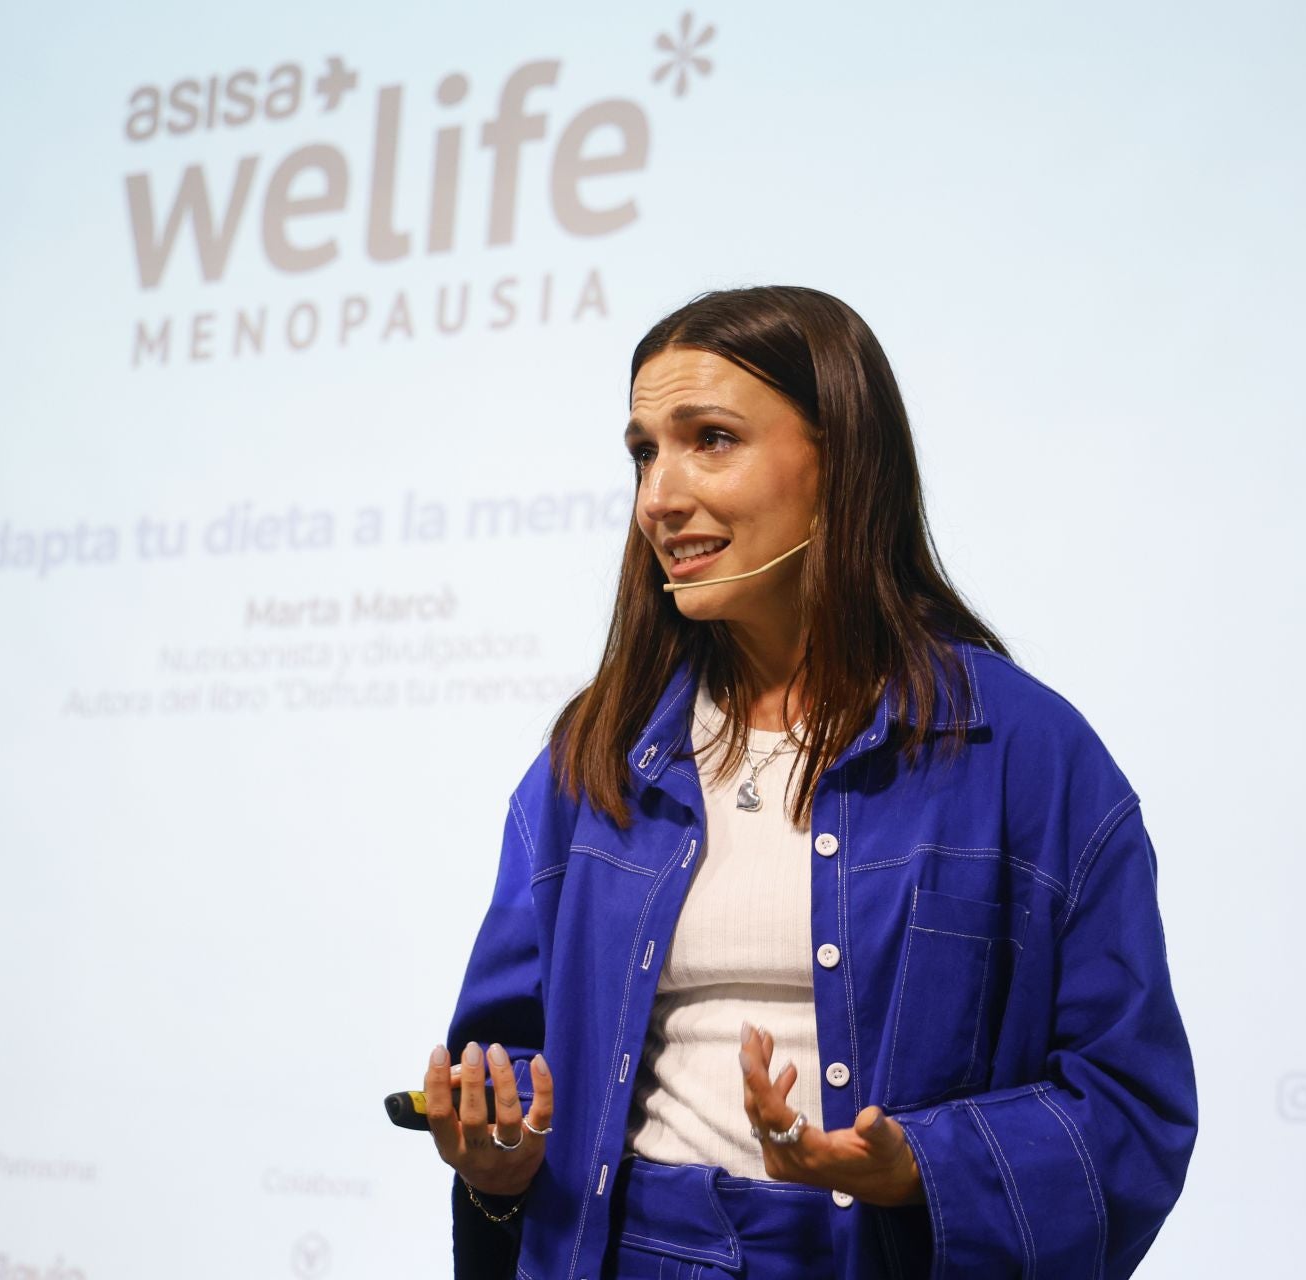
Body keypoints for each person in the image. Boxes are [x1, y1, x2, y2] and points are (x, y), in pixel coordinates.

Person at [421, 285, 1197, 1279]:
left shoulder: (1024, 751)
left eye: (710, 438)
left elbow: (1130, 1099)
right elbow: (509, 1064)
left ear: (840, 462)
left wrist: (920, 1161)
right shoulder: (594, 756)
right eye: (644, 452)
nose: (659, 494)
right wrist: (501, 1156)